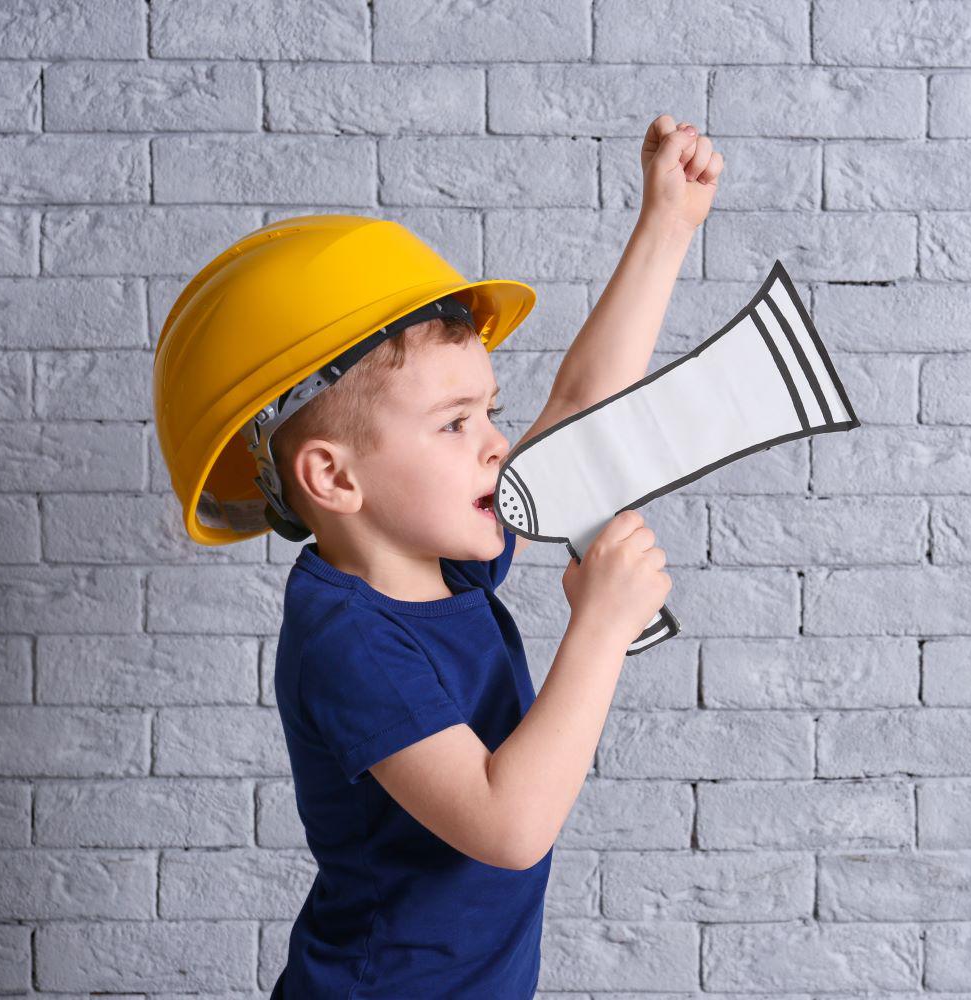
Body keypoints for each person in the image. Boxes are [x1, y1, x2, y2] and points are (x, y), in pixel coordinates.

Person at [151, 114, 723, 998]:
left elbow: (576, 410)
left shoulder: (443, 563)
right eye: (455, 424)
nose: (497, 444)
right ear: (335, 479)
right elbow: (509, 823)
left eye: (488, 411)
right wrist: (601, 630)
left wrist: (666, 226)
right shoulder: (347, 640)